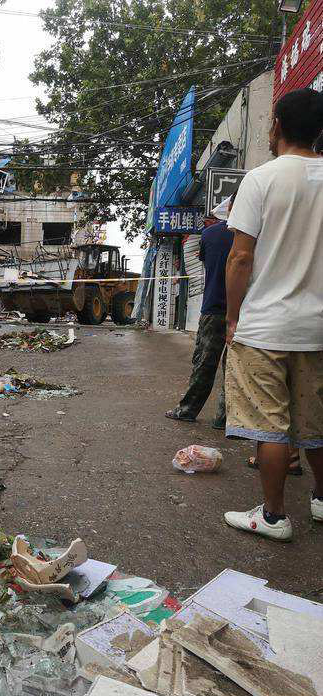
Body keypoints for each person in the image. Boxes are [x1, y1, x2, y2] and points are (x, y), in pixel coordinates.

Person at [224, 87, 323, 541]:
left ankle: (274, 516)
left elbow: (240, 258)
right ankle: (321, 500)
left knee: (272, 425)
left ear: (277, 125)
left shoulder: (260, 180)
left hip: (264, 327)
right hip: (318, 329)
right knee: (316, 423)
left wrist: (231, 317)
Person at [165, 196, 235, 429]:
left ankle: (187, 409)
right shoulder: (256, 236)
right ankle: (225, 418)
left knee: (204, 362)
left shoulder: (210, 234)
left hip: (214, 307)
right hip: (246, 311)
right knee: (233, 367)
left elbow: (206, 262)